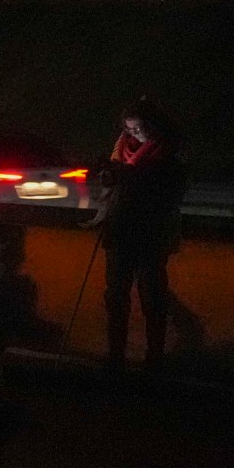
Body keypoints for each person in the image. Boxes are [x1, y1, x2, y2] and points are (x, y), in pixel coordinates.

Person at [91, 98, 189, 372]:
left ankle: (154, 357)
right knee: (116, 296)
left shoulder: (169, 155)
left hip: (151, 235)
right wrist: (108, 176)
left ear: (154, 127)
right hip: (120, 231)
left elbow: (166, 193)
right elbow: (114, 187)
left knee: (152, 296)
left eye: (138, 130)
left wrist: (125, 175)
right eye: (129, 130)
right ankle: (115, 356)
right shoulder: (121, 151)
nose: (133, 135)